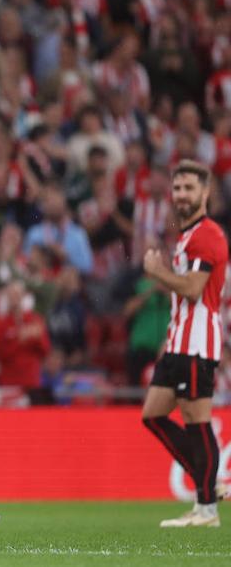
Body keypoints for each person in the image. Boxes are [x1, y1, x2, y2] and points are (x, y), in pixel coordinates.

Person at [141, 160, 226, 528]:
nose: (181, 195)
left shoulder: (208, 234)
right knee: (153, 414)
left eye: (189, 188)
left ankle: (206, 507)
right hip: (179, 341)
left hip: (197, 342)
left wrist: (158, 272)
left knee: (196, 419)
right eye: (177, 189)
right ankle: (209, 483)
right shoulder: (188, 236)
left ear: (205, 193)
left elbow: (193, 289)